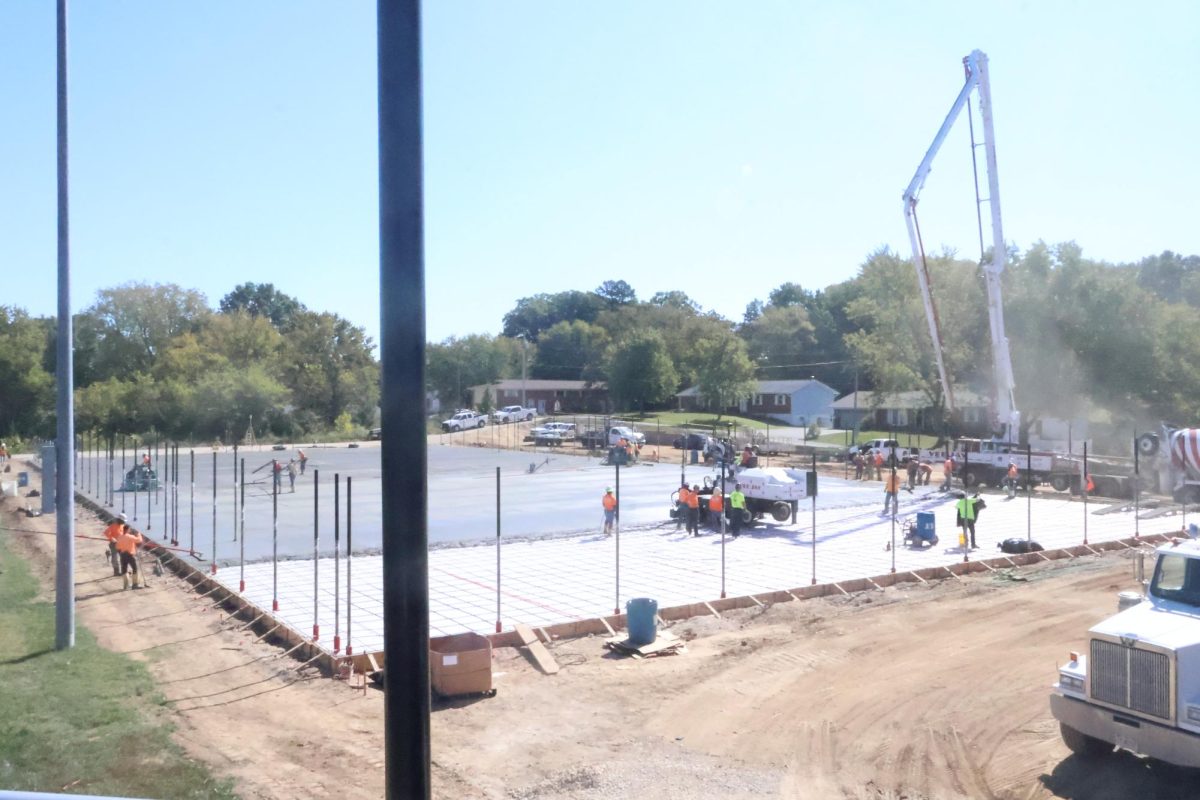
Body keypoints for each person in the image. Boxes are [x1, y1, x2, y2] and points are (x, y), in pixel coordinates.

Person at [115, 523, 145, 590]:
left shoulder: (119, 537)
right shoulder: (129, 536)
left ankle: (126, 586)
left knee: (124, 570)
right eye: (129, 529)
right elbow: (139, 540)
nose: (130, 530)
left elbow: (117, 547)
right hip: (130, 555)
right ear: (127, 530)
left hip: (123, 555)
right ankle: (135, 584)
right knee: (135, 568)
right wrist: (138, 534)